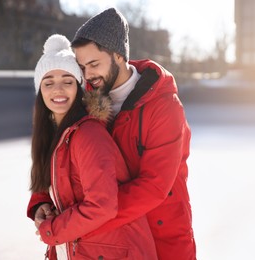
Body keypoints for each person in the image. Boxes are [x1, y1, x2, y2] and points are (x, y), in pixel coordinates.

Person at [70, 8, 196, 260]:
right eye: (82, 66)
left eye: (93, 64)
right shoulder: (83, 103)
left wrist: (84, 222)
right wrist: (41, 200)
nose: (87, 75)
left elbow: (154, 185)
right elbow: (58, 153)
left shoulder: (163, 105)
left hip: (163, 237)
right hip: (109, 242)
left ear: (118, 56)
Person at [26, 33, 157, 260]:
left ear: (79, 88)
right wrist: (41, 204)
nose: (58, 90)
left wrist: (52, 229)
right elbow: (53, 186)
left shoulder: (87, 134)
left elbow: (102, 206)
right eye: (48, 83)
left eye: (67, 81)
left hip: (115, 252)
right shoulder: (53, 135)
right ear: (40, 91)